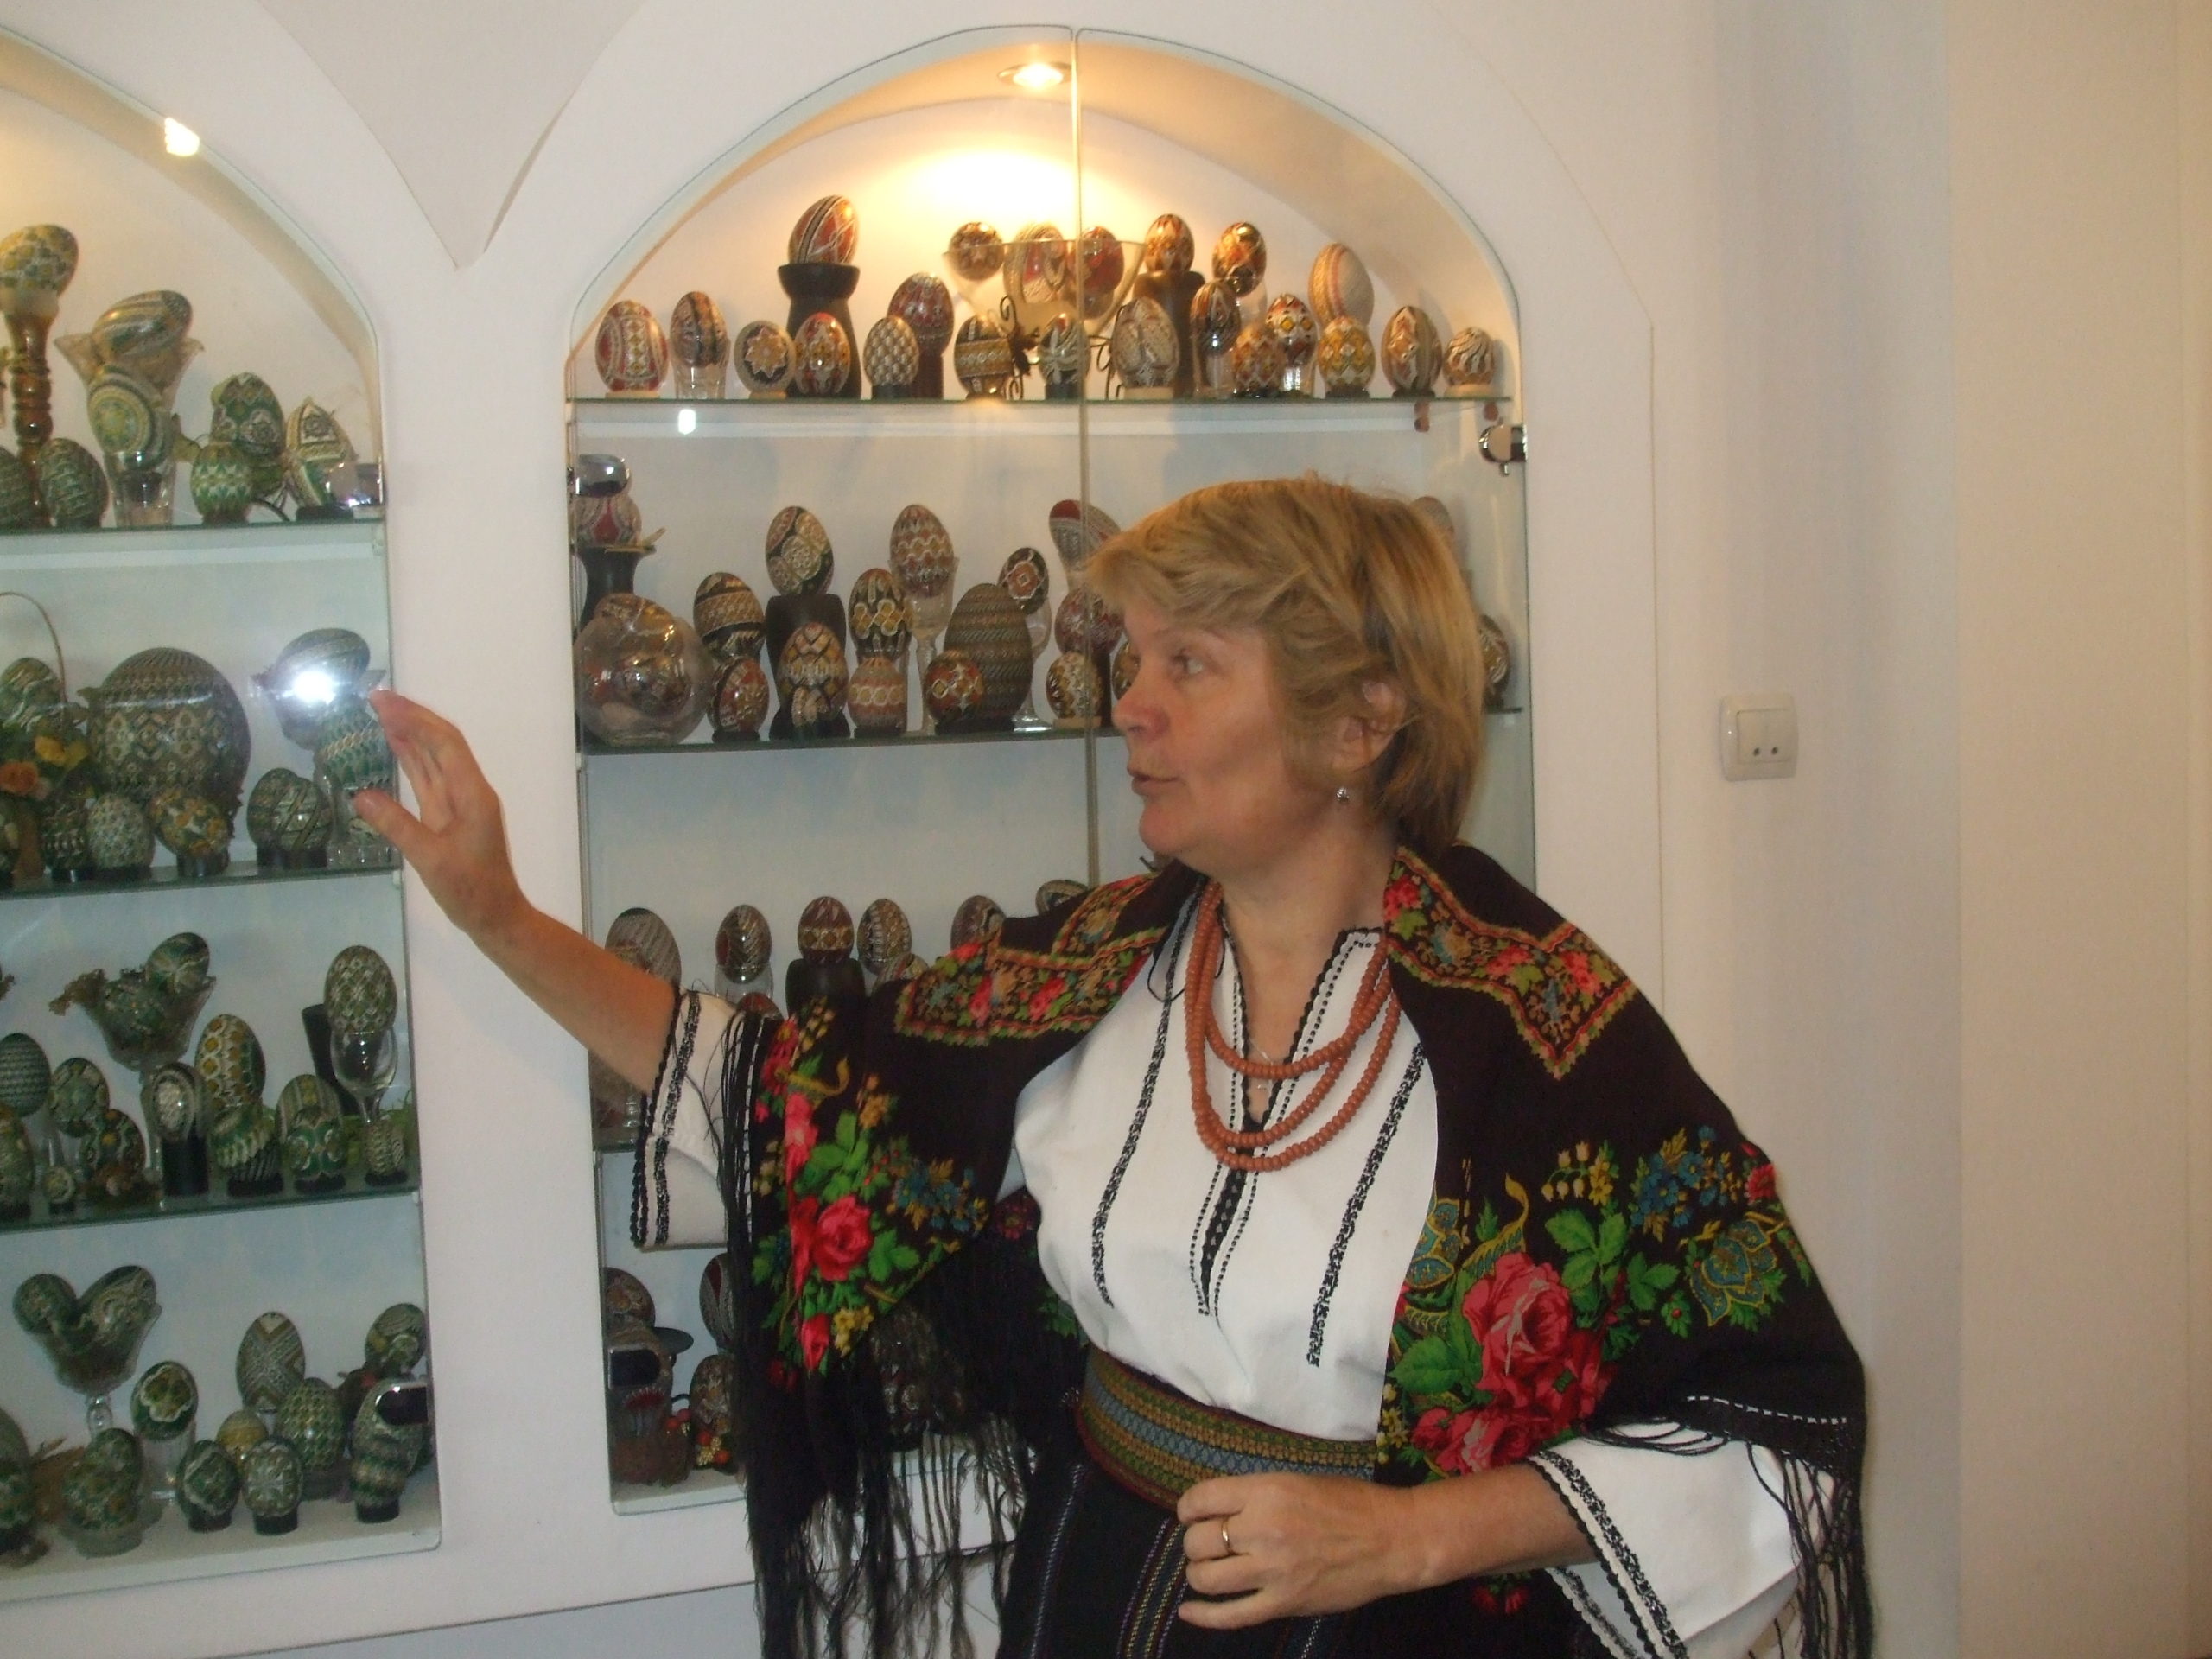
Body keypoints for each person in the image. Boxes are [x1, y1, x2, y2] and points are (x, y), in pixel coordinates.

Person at [359, 477, 1868, 1659]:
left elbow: (1778, 1424)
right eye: (1133, 659)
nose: (1128, 703)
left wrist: (1402, 1538)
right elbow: (787, 1109)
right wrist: (499, 916)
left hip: (1391, 1633)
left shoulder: (1540, 1027)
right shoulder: (1088, 971)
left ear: (1360, 720)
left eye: (1188, 663)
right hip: (1087, 1603)